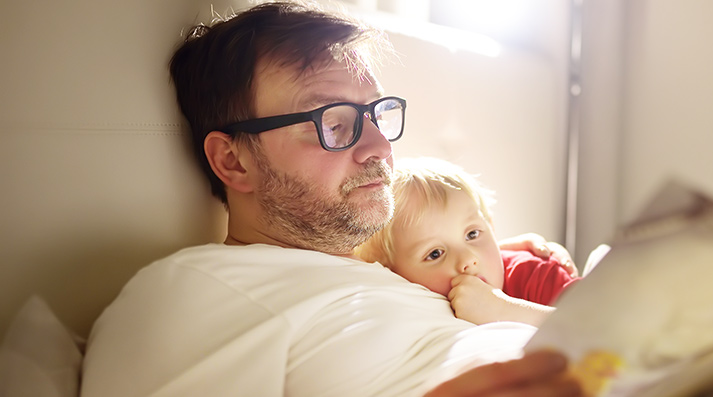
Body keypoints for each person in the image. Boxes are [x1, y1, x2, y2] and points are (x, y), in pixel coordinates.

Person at [79, 2, 583, 396]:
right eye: (332, 123)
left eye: (377, 114)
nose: (380, 148)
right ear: (234, 162)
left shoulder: (409, 273)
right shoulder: (190, 295)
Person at [357, 157, 581, 327]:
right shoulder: (407, 312)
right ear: (393, 275)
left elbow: (603, 327)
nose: (468, 259)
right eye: (435, 253)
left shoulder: (537, 274)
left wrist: (503, 311)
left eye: (472, 234)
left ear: (490, 227)